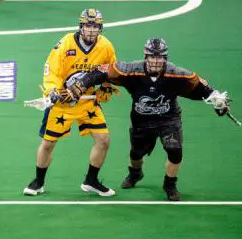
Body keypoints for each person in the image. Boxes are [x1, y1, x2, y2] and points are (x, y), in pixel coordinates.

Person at [65, 37, 231, 201]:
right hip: (141, 120)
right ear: (146, 56)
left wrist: (217, 99)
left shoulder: (177, 74)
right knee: (136, 153)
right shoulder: (130, 69)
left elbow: (201, 86)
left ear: (165, 58)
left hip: (169, 119)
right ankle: (135, 173)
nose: (156, 61)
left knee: (175, 151)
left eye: (160, 57)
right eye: (153, 56)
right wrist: (81, 85)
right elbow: (101, 71)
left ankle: (170, 185)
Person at [23, 8, 118, 197]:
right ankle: (38, 181)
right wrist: (54, 91)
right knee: (48, 143)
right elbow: (52, 69)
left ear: (101, 28)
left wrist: (106, 88)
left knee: (103, 140)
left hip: (87, 103)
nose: (91, 30)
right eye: (88, 26)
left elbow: (111, 70)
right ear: (81, 26)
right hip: (62, 104)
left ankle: (91, 181)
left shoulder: (106, 46)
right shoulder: (65, 43)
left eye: (95, 26)